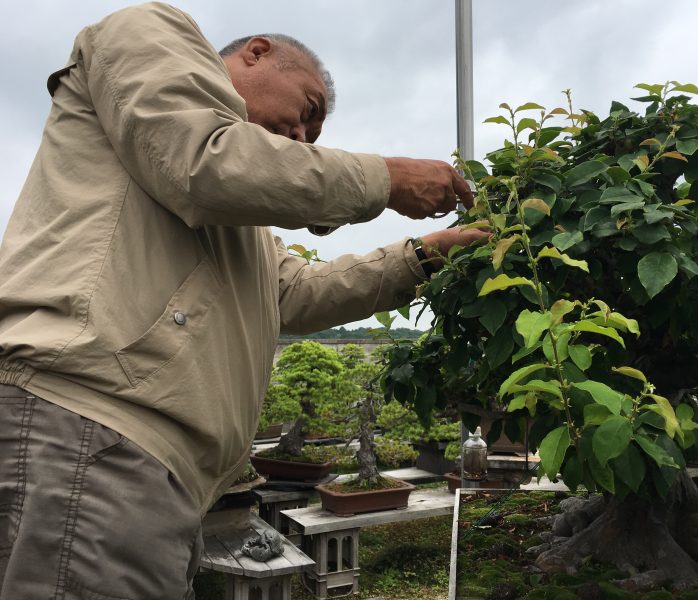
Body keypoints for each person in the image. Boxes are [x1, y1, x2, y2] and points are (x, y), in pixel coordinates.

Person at [0, 3, 486, 598]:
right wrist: (386, 178)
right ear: (256, 52)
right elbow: (205, 163)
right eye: (308, 111)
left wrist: (423, 256)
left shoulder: (242, 228)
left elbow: (297, 294)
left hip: (148, 462)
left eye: (313, 135)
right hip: (94, 424)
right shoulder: (151, 31)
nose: (303, 138)